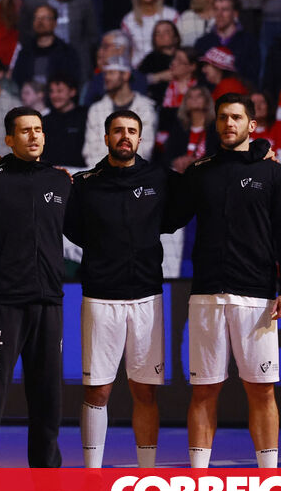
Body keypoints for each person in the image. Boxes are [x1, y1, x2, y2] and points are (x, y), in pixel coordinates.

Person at [172, 93, 281, 469]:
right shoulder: (200, 172)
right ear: (216, 123)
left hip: (257, 297)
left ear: (251, 125)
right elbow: (168, 217)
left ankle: (268, 477)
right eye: (223, 117)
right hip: (206, 295)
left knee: (261, 391)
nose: (229, 124)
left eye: (237, 118)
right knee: (203, 391)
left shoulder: (273, 173)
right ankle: (197, 479)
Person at [65, 109, 190, 468]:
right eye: (117, 131)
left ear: (140, 137)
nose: (125, 137)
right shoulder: (85, 183)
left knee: (144, 390)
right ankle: (92, 476)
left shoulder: (160, 178)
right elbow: (73, 229)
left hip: (148, 297)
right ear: (105, 138)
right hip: (99, 297)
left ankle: (146, 473)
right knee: (97, 391)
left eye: (131, 131)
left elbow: (190, 197)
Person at [0, 106, 69, 469]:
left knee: (48, 398)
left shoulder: (60, 182)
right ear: (9, 139)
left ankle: (47, 479)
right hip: (3, 303)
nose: (34, 136)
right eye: (25, 131)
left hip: (49, 304)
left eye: (38, 129)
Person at [83, 51, 158, 166]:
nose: (106, 77)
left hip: (135, 175)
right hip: (101, 175)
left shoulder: (145, 108)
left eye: (111, 73)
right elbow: (90, 151)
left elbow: (144, 150)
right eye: (106, 73)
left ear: (126, 75)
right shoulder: (96, 109)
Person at [42, 75, 87, 167]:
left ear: (72, 92)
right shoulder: (45, 120)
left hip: (79, 173)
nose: (54, 95)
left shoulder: (85, 116)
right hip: (51, 174)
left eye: (59, 91)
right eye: (51, 91)